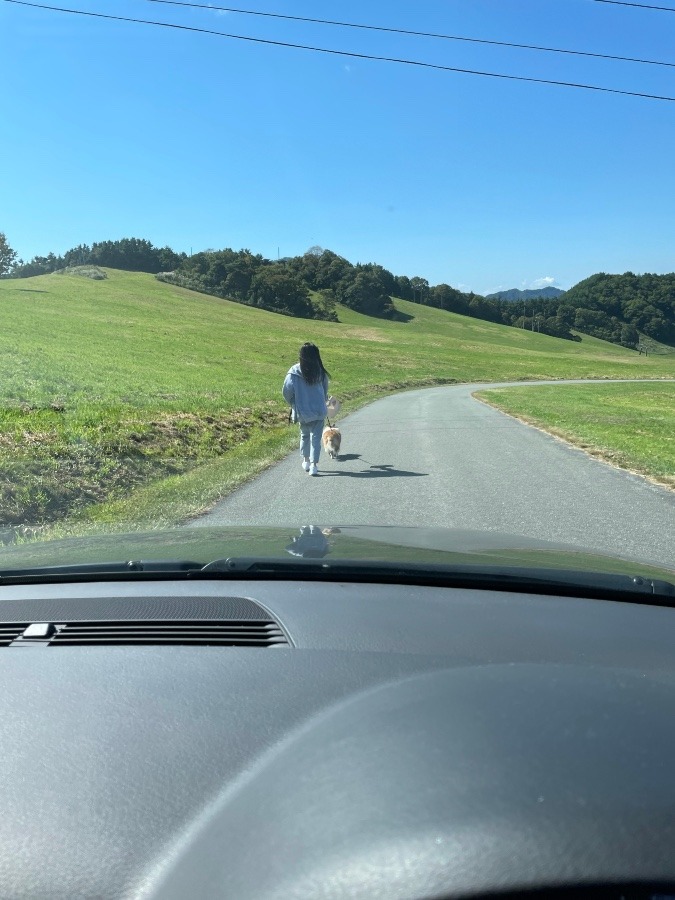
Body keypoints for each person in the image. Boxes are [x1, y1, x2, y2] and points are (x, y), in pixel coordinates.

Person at [282, 342, 330, 476]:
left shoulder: (294, 371)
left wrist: (293, 403)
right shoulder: (320, 371)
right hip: (319, 410)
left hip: (303, 410)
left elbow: (286, 391)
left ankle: (306, 460)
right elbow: (325, 391)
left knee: (304, 435)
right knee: (316, 438)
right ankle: (314, 465)